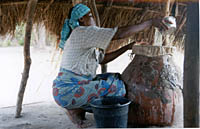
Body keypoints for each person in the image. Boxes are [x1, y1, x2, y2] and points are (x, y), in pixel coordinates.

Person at [52, 3, 171, 128]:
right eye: (90, 16)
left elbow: (103, 59)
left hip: (71, 87)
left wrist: (128, 46)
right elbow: (119, 34)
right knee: (118, 88)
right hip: (68, 90)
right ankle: (75, 109)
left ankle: (76, 107)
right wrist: (150, 22)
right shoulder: (81, 32)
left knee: (115, 77)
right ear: (81, 19)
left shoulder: (85, 38)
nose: (93, 19)